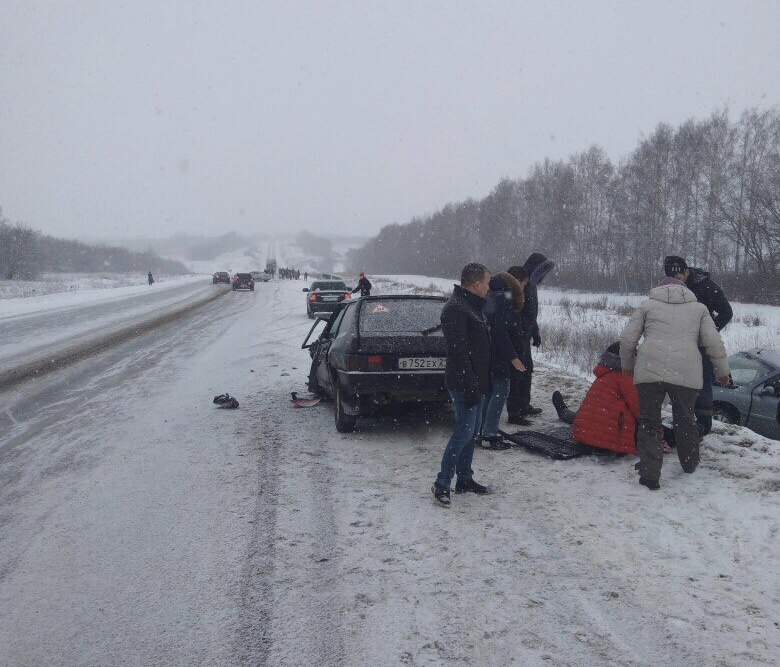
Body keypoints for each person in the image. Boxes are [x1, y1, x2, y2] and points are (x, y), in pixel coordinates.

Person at [620, 271, 730, 490]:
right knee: (686, 418)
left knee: (649, 422)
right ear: (685, 289)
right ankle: (689, 464)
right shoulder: (699, 309)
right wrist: (722, 371)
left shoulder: (647, 306)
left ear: (660, 288)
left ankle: (650, 475)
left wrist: (627, 365)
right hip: (686, 371)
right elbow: (714, 342)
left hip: (650, 370)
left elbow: (627, 340)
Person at [432, 263, 493, 506]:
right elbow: (459, 353)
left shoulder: (471, 305)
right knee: (464, 432)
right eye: (487, 283)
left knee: (471, 432)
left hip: (475, 381)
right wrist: (469, 386)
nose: (489, 288)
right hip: (464, 382)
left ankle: (465, 479)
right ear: (476, 284)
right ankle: (441, 483)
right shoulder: (456, 309)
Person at [551, 342, 674, 454]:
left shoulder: (603, 375)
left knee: (586, 417)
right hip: (608, 440)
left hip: (583, 435)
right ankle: (686, 436)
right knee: (670, 434)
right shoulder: (625, 377)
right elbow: (642, 411)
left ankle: (563, 411)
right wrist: (659, 433)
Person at [664, 256, 733, 436]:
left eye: (679, 279)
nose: (676, 284)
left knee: (702, 385)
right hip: (678, 344)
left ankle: (702, 426)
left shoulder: (705, 286)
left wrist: (708, 333)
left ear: (686, 272)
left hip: (701, 346)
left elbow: (726, 312)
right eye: (673, 280)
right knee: (680, 384)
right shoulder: (667, 287)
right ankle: (682, 424)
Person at [506, 253, 555, 423]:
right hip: (517, 337)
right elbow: (516, 313)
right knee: (517, 374)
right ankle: (514, 412)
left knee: (527, 372)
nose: (543, 276)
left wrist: (536, 333)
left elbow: (531, 314)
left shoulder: (531, 285)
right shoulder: (519, 284)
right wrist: (519, 333)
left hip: (526, 336)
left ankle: (524, 405)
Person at [481, 272, 527, 449]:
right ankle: (490, 434)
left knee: (489, 392)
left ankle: (481, 431)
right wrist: (513, 356)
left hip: (486, 351)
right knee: (501, 390)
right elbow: (500, 331)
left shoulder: (488, 296)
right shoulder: (504, 299)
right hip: (498, 353)